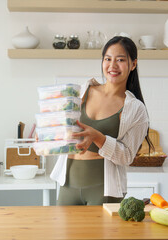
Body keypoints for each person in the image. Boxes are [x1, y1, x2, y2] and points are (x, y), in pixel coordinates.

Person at [50, 36, 153, 205]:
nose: (112, 66)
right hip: (68, 184)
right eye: (108, 59)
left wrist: (98, 137)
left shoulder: (136, 109)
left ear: (133, 64)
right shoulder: (81, 91)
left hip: (103, 190)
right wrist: (48, 136)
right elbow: (63, 132)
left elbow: (126, 156)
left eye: (120, 60)